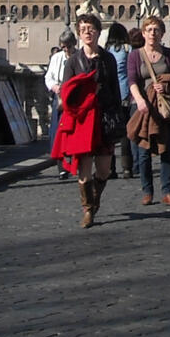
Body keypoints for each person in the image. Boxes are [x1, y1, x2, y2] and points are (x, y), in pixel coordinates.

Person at [53, 12, 122, 228]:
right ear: (79, 34)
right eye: (83, 30)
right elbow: (67, 91)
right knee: (84, 171)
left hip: (104, 118)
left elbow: (115, 89)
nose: (87, 33)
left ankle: (95, 198)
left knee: (104, 170)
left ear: (99, 32)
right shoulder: (74, 61)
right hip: (83, 121)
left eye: (91, 29)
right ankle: (88, 210)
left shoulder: (108, 59)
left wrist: (118, 115)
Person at [127, 16, 170, 207]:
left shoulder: (168, 55)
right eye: (149, 30)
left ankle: (167, 191)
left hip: (163, 107)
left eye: (156, 30)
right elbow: (132, 80)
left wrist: (166, 87)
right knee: (144, 151)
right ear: (143, 33)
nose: (153, 33)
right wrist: (140, 100)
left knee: (167, 149)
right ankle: (147, 191)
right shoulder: (135, 55)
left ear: (162, 33)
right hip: (143, 107)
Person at [44, 28, 77, 180]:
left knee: (73, 132)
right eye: (63, 47)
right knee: (58, 132)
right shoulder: (57, 58)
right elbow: (48, 77)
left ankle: (75, 161)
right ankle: (62, 166)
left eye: (68, 46)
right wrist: (55, 87)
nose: (66, 50)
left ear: (74, 44)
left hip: (75, 100)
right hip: (59, 98)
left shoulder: (79, 57)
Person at [105, 22, 133, 179]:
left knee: (109, 132)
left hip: (109, 95)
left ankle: (110, 168)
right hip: (124, 95)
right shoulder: (127, 49)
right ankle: (127, 168)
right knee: (125, 133)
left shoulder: (105, 51)